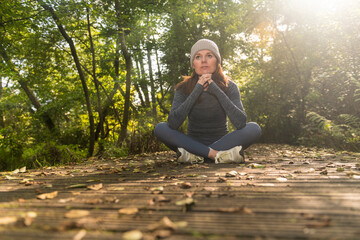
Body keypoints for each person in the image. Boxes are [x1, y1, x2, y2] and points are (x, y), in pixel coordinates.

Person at [154, 39, 261, 164]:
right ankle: (215, 155)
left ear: (217, 61)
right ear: (193, 64)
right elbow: (173, 123)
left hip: (223, 142)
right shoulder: (183, 88)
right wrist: (197, 89)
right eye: (198, 57)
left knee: (254, 128)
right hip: (191, 142)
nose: (204, 60)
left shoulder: (230, 87)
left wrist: (215, 90)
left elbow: (240, 122)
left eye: (209, 55)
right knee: (160, 128)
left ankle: (197, 155)